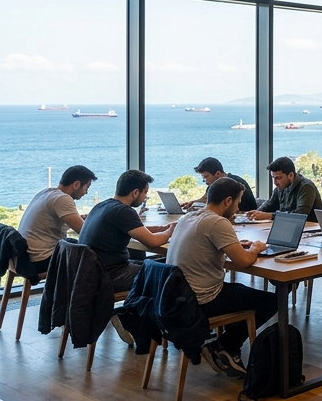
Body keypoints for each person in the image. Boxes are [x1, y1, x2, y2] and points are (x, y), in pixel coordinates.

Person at [167, 177, 277, 379]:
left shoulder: (189, 217)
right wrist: (256, 247)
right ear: (227, 200)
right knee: (272, 301)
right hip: (203, 299)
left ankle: (224, 345)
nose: (237, 208)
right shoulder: (218, 222)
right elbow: (244, 262)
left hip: (177, 298)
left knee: (241, 293)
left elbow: (206, 246)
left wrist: (234, 245)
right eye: (237, 202)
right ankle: (226, 345)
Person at [78, 169, 174, 292]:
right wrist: (172, 229)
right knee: (168, 275)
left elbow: (133, 229)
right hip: (110, 275)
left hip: (90, 272)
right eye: (145, 193)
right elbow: (153, 242)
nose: (145, 198)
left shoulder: (103, 205)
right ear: (135, 192)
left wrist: (161, 229)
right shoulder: (123, 211)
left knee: (153, 266)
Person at [18, 164, 95, 272]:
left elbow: (51, 223)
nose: (86, 192)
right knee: (94, 256)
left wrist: (81, 218)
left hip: (25, 256)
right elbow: (85, 232)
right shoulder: (62, 199)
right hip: (40, 259)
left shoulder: (46, 192)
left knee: (76, 245)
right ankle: (76, 289)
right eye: (86, 187)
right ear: (76, 184)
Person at [248, 157, 322, 221]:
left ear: (290, 175)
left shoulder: (306, 187)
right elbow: (270, 204)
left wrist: (269, 216)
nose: (275, 182)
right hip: (288, 227)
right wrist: (256, 213)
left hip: (309, 231)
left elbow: (300, 214)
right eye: (273, 178)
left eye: (278, 178)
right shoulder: (280, 187)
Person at [184, 157, 257, 212]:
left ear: (217, 174)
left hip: (245, 216)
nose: (204, 180)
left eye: (206, 177)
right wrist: (192, 203)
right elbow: (205, 198)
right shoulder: (214, 185)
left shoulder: (233, 183)